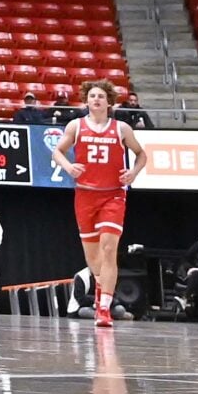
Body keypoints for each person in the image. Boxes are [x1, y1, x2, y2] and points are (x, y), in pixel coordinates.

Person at [59, 78, 147, 327]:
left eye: (100, 96)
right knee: (93, 257)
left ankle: (105, 308)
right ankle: (100, 288)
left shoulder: (121, 129)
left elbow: (142, 154)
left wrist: (133, 173)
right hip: (85, 194)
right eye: (92, 96)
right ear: (86, 100)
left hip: (113, 194)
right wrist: (68, 166)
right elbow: (57, 151)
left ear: (109, 102)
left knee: (109, 249)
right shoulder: (76, 126)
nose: (96, 99)